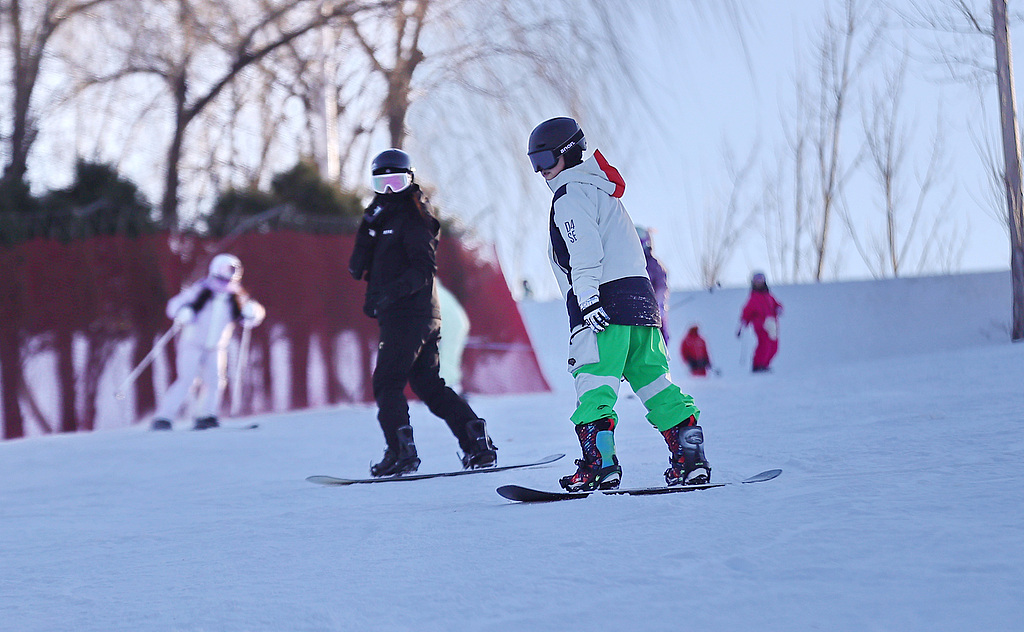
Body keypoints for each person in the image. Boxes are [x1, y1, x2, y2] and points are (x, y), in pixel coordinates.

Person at [527, 116, 710, 490]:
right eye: (535, 163)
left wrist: (588, 299)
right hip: (641, 308)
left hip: (602, 306)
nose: (541, 172)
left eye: (545, 160)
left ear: (568, 153)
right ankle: (691, 458)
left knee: (593, 381)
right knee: (655, 382)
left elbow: (584, 250)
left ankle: (600, 465)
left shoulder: (570, 195)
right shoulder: (603, 193)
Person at [349, 148, 497, 477]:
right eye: (382, 182)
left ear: (410, 180)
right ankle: (476, 442)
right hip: (408, 316)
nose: (389, 190)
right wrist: (367, 229)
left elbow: (424, 270)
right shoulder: (380, 218)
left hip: (410, 314)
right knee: (428, 385)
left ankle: (401, 452)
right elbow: (355, 267)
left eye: (396, 181)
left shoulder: (414, 218)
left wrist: (388, 294)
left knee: (387, 382)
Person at [151, 253, 266, 430]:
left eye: (234, 270)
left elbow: (249, 315)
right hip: (192, 344)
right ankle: (164, 417)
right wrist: (183, 312)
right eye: (227, 269)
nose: (230, 274)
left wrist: (254, 312)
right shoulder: (202, 290)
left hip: (216, 347)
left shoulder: (234, 295)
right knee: (186, 379)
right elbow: (174, 306)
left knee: (214, 381)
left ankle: (206, 415)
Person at [737, 271, 783, 373]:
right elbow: (746, 312)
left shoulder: (769, 296)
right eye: (757, 281)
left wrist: (779, 308)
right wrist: (743, 324)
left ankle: (765, 364)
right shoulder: (753, 298)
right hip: (761, 325)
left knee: (774, 346)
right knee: (764, 344)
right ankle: (758, 365)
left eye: (761, 280)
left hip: (772, 325)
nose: (759, 283)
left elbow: (776, 304)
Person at [636, 226, 670, 343]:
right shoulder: (631, 264)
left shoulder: (653, 265)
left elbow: (661, 288)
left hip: (652, 314)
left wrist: (659, 307)